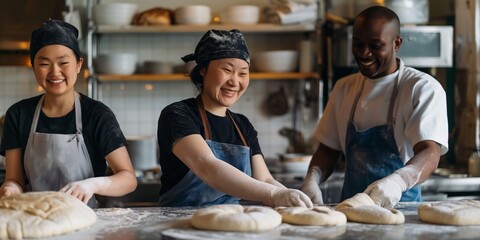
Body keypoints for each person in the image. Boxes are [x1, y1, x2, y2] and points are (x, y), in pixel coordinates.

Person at [301, 6, 448, 208]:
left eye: (375, 45)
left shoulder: (421, 88)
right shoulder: (344, 88)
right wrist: (313, 178)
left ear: (397, 43)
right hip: (350, 211)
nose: (364, 53)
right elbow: (328, 149)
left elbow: (430, 153)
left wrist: (398, 182)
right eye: (358, 44)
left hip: (402, 213)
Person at [157, 29, 313, 207]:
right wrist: (274, 194)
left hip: (231, 222)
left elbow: (264, 179)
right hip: (179, 223)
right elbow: (207, 166)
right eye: (227, 70)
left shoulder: (242, 125)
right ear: (202, 70)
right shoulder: (178, 114)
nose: (235, 81)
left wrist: (290, 198)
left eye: (243, 73)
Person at [0, 19, 137, 207]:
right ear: (33, 66)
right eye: (44, 64)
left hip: (85, 220)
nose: (55, 72)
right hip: (35, 217)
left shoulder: (97, 115)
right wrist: (10, 189)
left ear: (79, 64)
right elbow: (14, 179)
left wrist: (92, 185)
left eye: (63, 62)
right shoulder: (18, 114)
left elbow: (128, 179)